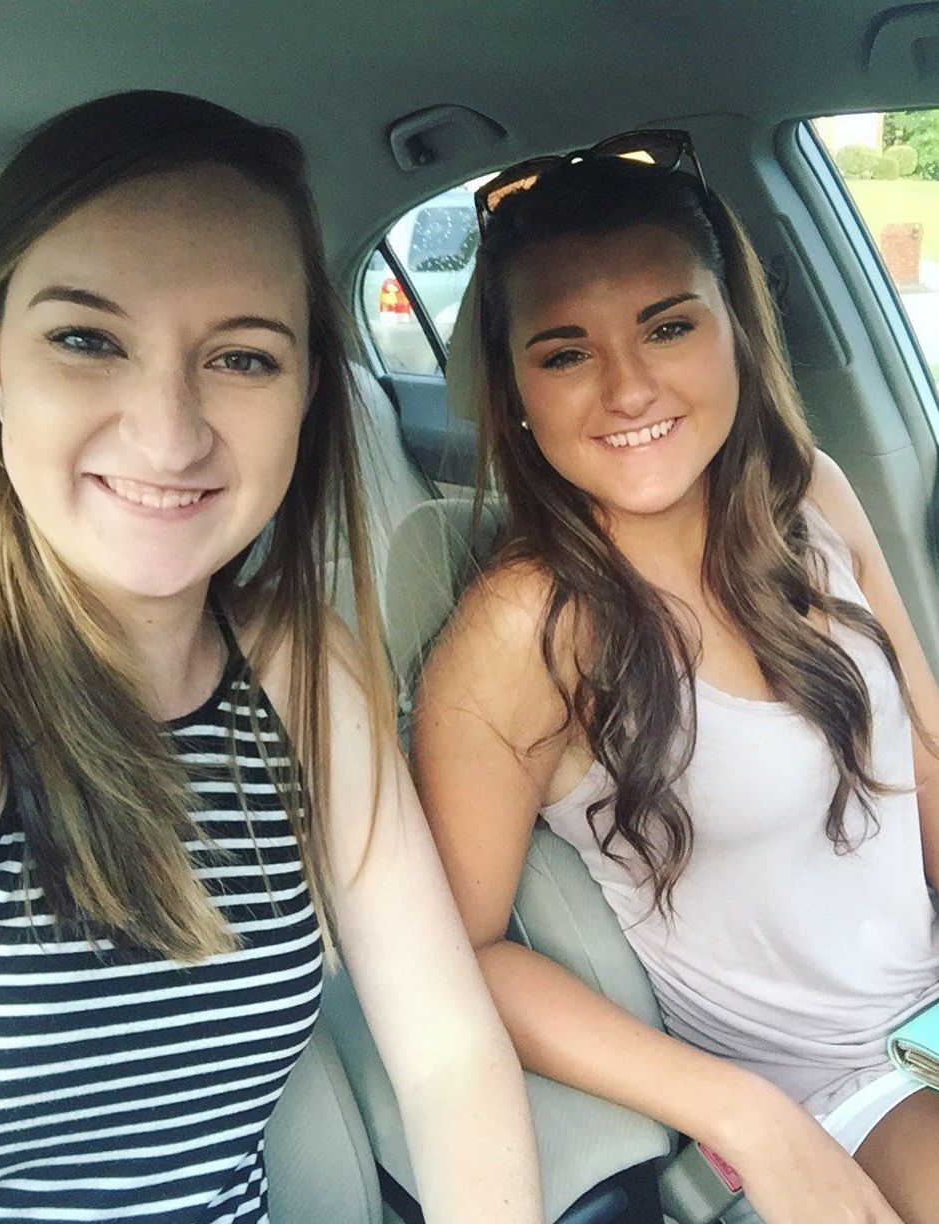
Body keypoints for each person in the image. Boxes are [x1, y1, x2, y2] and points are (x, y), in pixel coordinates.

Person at [0, 90, 543, 1224]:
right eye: (87, 340)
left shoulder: (297, 664)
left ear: (308, 387)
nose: (168, 434)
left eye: (240, 357)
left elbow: (448, 1058)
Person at [412, 132, 939, 1224]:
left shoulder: (810, 497)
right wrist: (744, 1115)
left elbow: (926, 756)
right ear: (514, 390)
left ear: (734, 329)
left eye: (667, 327)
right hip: (830, 1085)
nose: (627, 388)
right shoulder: (525, 630)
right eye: (564, 353)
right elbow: (455, 956)